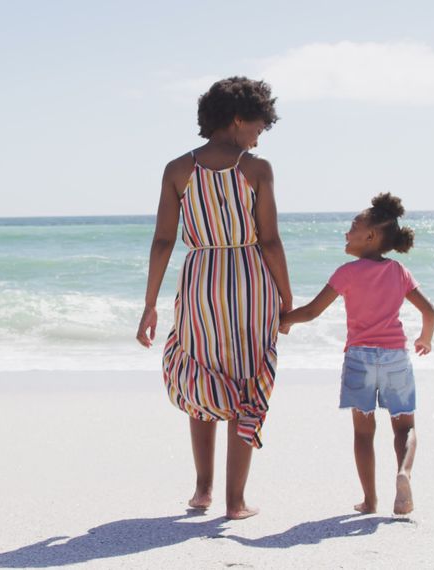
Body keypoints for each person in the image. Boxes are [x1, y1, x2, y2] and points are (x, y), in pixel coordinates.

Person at [136, 77, 292, 520]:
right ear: (238, 119)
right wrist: (286, 297)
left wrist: (149, 304)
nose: (260, 135)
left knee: (199, 381)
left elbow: (163, 241)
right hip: (248, 281)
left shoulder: (177, 169)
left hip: (200, 280)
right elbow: (271, 241)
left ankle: (202, 491)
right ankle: (235, 502)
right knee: (247, 383)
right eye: (259, 125)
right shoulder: (256, 169)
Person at [281, 193, 434, 515]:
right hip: (395, 357)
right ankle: (404, 473)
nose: (346, 233)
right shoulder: (399, 271)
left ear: (370, 236)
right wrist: (425, 338)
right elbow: (429, 311)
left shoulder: (347, 273)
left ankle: (370, 500)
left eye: (353, 227)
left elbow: (311, 312)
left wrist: (282, 321)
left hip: (360, 359)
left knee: (364, 434)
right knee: (404, 428)